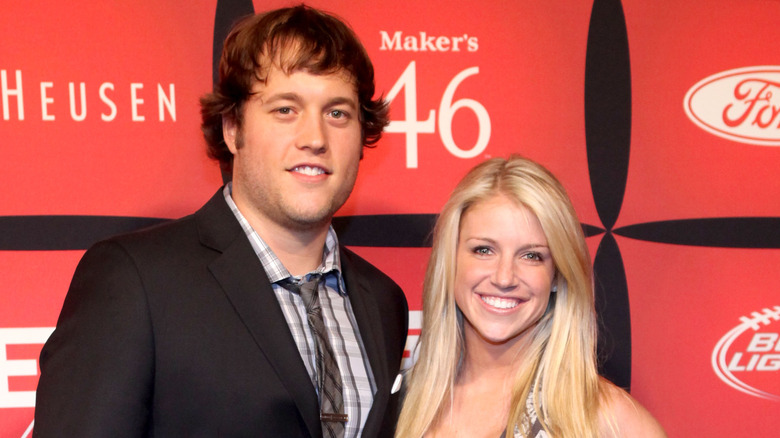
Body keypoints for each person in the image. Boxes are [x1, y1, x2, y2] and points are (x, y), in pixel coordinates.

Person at [34, 5, 408, 438]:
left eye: (337, 113)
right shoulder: (134, 280)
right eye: (286, 109)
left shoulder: (382, 302)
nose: (315, 138)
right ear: (233, 129)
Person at [395, 156, 665, 437]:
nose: (504, 277)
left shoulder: (604, 417)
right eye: (484, 250)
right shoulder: (400, 401)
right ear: (450, 261)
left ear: (558, 275)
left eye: (532, 256)